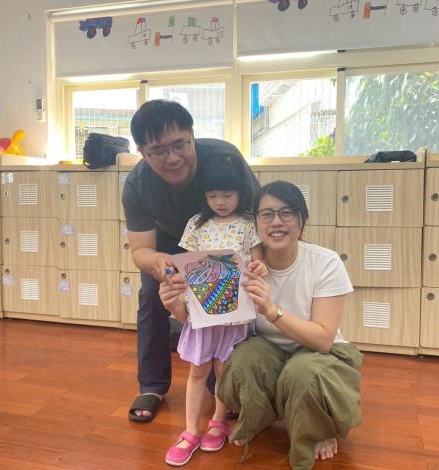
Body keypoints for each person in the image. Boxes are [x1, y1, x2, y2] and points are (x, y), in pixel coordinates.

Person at [122, 99, 259, 423]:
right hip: (169, 244)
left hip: (225, 240)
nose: (172, 158)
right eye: (158, 150)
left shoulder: (224, 158)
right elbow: (140, 249)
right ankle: (152, 385)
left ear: (192, 136)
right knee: (152, 295)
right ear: (142, 152)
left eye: (179, 144)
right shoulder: (137, 184)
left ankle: (230, 382)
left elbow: (257, 212)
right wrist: (159, 263)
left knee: (239, 301)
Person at [217, 180, 363, 470]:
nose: (276, 222)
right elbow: (213, 325)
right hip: (270, 350)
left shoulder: (325, 262)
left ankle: (319, 428)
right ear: (256, 223)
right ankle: (259, 418)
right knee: (244, 359)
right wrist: (175, 306)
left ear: (302, 221)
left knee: (303, 373)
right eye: (267, 214)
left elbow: (323, 339)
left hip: (320, 353)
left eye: (287, 213)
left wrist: (272, 312)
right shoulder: (243, 266)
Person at [158, 156, 267, 466]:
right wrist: (172, 277)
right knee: (197, 370)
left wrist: (259, 267)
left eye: (227, 195)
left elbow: (258, 261)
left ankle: (218, 420)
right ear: (203, 195)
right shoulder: (196, 223)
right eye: (212, 195)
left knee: (224, 370)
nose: (220, 202)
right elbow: (185, 263)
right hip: (202, 311)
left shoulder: (248, 224)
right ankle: (191, 431)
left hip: (235, 313)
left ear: (240, 193)